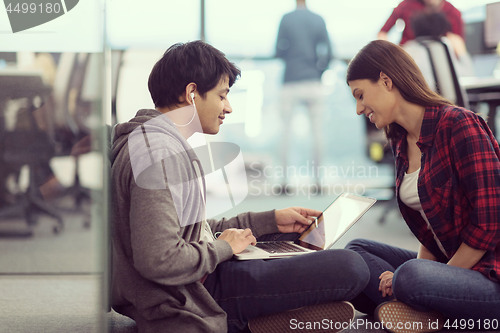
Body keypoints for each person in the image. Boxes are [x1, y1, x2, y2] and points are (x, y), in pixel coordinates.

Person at [110, 40, 369, 333]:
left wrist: (267, 221)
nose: (228, 107)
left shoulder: (155, 142)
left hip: (199, 276)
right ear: (192, 93)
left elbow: (188, 229)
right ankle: (247, 322)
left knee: (344, 254)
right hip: (193, 295)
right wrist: (224, 248)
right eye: (222, 96)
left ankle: (390, 296)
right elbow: (158, 259)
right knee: (351, 266)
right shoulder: (159, 154)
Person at [345, 40, 500, 333]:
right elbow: (430, 229)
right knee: (356, 254)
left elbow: (490, 224)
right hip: (447, 264)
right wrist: (424, 274)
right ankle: (419, 311)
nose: (358, 108)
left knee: (411, 277)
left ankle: (412, 307)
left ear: (386, 81)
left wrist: (420, 276)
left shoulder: (460, 125)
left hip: (489, 275)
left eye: (360, 95)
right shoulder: (401, 140)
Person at [275, 0, 332, 192]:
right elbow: (329, 52)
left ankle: (284, 182)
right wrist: (319, 70)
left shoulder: (286, 19)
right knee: (317, 133)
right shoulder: (318, 19)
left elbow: (278, 50)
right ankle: (318, 182)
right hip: (313, 81)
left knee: (285, 133)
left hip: (290, 79)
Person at [402, 11, 474, 90]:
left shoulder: (407, 49)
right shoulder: (445, 45)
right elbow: (469, 76)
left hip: (421, 100)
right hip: (448, 101)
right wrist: (462, 53)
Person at [378, 0, 464, 46]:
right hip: (408, 57)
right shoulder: (406, 4)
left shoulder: (453, 13)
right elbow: (382, 33)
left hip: (439, 59)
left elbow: (459, 44)